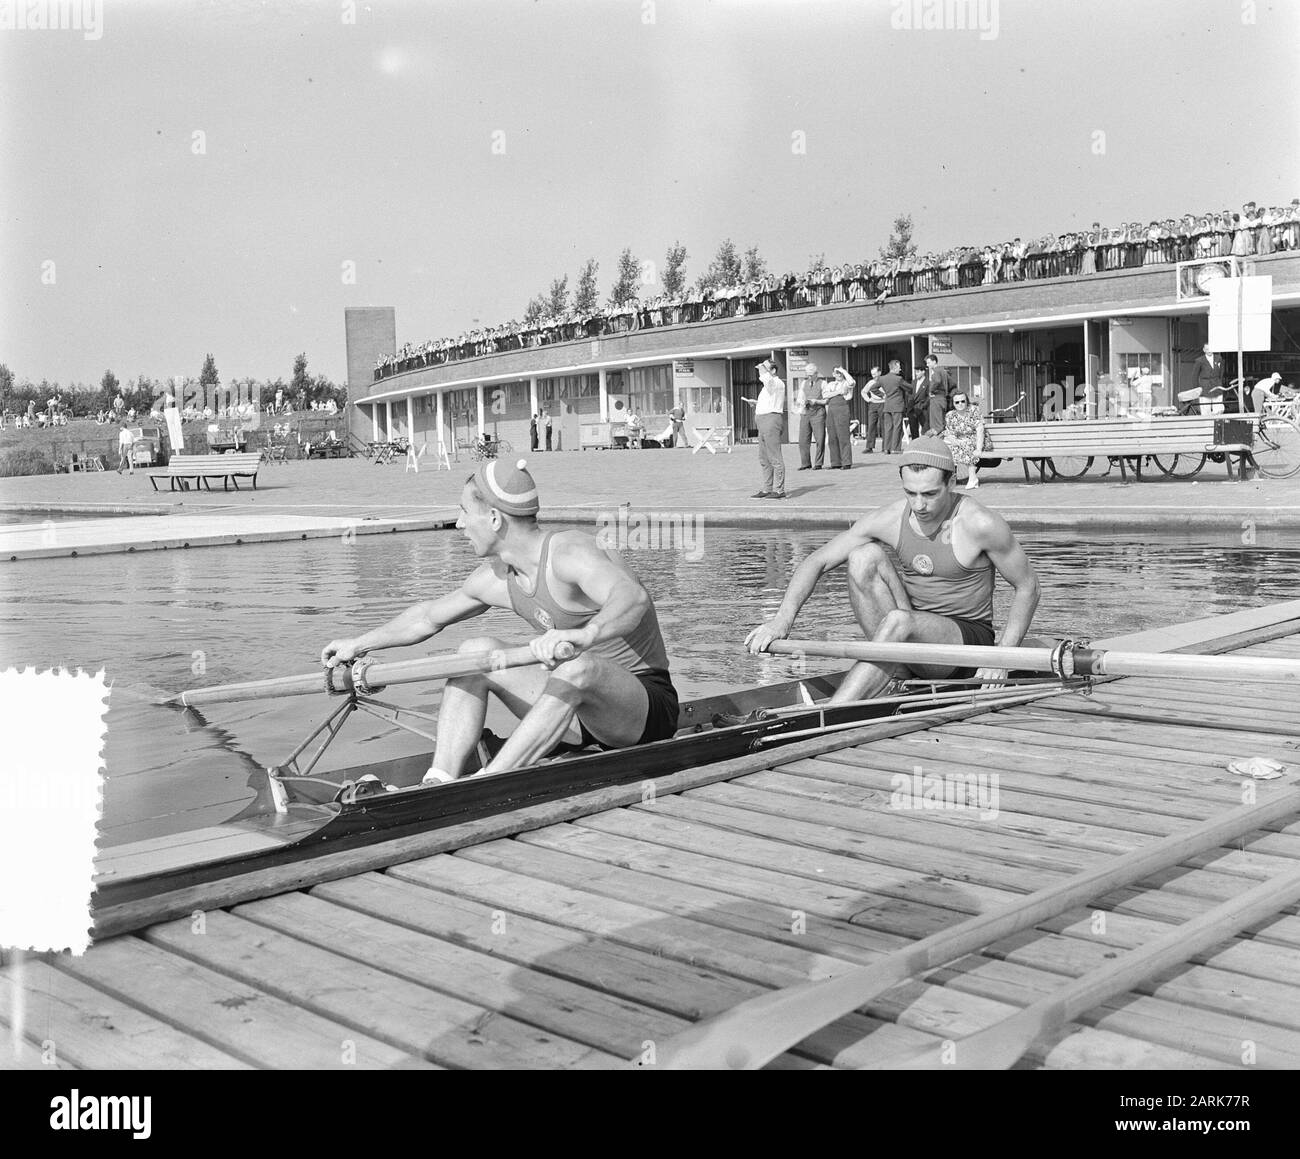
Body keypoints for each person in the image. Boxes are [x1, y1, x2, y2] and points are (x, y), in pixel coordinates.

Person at [321, 459, 679, 783]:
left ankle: (490, 781)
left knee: (578, 667)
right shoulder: (496, 577)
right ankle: (440, 779)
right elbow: (427, 618)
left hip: (643, 709)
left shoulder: (570, 553)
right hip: (576, 712)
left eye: (464, 512)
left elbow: (633, 598)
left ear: (494, 519)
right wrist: (358, 644)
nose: (459, 524)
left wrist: (585, 635)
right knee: (473, 653)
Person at [746, 436, 1040, 702]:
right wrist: (781, 621)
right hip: (910, 631)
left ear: (951, 484)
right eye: (911, 493)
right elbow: (817, 560)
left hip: (967, 647)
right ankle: (893, 671)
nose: (919, 505)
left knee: (901, 621)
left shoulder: (980, 524)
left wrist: (1002, 657)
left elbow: (1028, 586)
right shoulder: (891, 517)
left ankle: (833, 710)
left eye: (930, 494)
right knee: (864, 556)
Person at [740, 357, 787, 499]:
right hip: (763, 420)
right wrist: (757, 403)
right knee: (764, 457)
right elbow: (769, 400)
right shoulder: (769, 385)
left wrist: (762, 368)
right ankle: (767, 488)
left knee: (774, 456)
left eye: (766, 368)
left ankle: (779, 490)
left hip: (771, 420)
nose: (761, 370)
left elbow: (768, 382)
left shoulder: (777, 382)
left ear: (772, 370)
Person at [942, 393, 989, 489]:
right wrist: (955, 441)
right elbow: (949, 433)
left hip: (976, 439)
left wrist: (978, 449)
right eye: (957, 402)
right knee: (947, 447)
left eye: (963, 401)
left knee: (966, 444)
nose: (960, 404)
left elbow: (980, 430)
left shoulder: (974, 410)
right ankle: (949, 478)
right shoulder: (950, 415)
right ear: (953, 404)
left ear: (967, 401)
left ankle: (972, 478)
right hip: (960, 440)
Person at [795, 362, 826, 470]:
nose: (809, 377)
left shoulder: (823, 383)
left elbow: (826, 400)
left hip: (818, 412)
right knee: (803, 439)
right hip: (806, 412)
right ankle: (805, 463)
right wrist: (801, 402)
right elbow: (800, 397)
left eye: (811, 375)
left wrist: (816, 401)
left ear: (816, 373)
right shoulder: (804, 383)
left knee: (820, 438)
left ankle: (818, 463)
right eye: (807, 374)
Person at [823, 368, 855, 469]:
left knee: (843, 435)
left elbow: (852, 382)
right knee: (832, 436)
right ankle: (835, 462)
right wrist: (839, 392)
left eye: (841, 373)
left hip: (842, 408)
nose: (839, 375)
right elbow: (825, 395)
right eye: (837, 373)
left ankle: (846, 462)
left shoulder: (846, 383)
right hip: (831, 409)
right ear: (833, 374)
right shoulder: (830, 384)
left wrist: (844, 371)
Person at [877, 359, 911, 453]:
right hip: (897, 406)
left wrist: (882, 395)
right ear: (895, 367)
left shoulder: (882, 378)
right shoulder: (898, 379)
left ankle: (886, 448)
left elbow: (873, 388)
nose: (900, 369)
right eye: (899, 367)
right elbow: (909, 388)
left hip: (887, 406)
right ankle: (895, 448)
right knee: (897, 427)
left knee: (888, 427)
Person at [920, 354, 951, 435]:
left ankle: (936, 444)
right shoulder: (944, 371)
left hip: (936, 399)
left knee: (936, 425)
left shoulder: (936, 371)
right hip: (943, 399)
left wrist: (931, 391)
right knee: (941, 422)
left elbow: (937, 381)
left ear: (934, 361)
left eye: (929, 362)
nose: (927, 365)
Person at [860, 366, 885, 453]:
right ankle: (869, 446)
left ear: (879, 372)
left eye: (875, 374)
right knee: (871, 425)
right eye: (872, 374)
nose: (874, 376)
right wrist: (868, 399)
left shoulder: (884, 381)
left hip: (883, 403)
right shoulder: (870, 382)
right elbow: (863, 392)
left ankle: (885, 446)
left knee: (884, 425)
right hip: (873, 404)